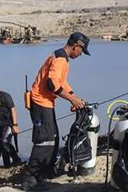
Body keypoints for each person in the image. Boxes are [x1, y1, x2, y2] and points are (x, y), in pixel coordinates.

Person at [22, 32, 88, 190]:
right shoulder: (60, 59)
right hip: (40, 102)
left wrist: (74, 97)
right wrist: (72, 100)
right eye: (81, 51)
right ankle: (30, 179)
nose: (81, 55)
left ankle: (44, 174)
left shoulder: (63, 58)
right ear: (76, 46)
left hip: (46, 103)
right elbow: (52, 85)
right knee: (45, 140)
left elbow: (61, 83)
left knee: (54, 139)